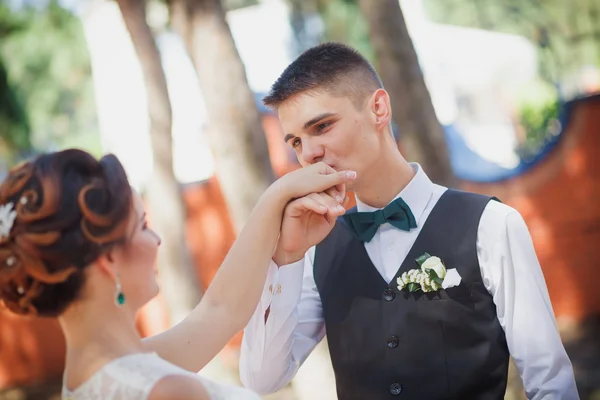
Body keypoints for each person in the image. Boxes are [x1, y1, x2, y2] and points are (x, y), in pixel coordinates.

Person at [239, 42, 579, 399]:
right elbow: (261, 380)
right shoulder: (313, 251)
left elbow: (550, 381)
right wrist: (285, 259)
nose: (308, 153)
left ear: (379, 109)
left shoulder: (491, 224)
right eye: (295, 141)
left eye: (322, 126)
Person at [0, 148, 356, 400]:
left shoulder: (96, 373)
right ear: (108, 259)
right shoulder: (165, 390)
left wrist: (278, 197)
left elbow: (219, 310)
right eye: (141, 226)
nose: (155, 241)